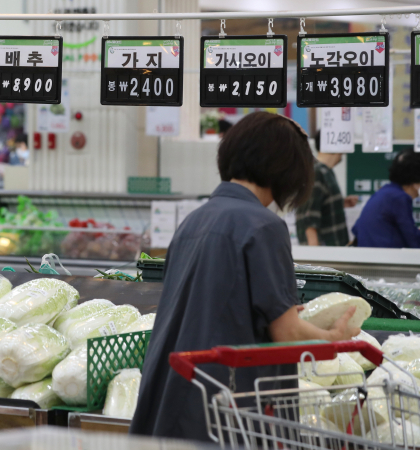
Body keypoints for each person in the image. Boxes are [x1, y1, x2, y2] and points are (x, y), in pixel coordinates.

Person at [129, 112, 359, 442]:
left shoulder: (194, 221)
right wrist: (334, 338)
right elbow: (287, 332)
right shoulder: (264, 226)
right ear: (287, 169)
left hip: (176, 389)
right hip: (229, 404)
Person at [296, 130, 358, 246]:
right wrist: (315, 259)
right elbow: (309, 217)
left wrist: (340, 203)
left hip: (332, 253)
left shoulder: (325, 171)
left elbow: (317, 204)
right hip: (325, 256)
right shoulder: (317, 172)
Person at [352, 149, 420, 248]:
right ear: (415, 180)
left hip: (367, 256)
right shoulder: (399, 198)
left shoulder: (384, 192)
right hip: (385, 259)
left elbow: (356, 229)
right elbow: (413, 240)